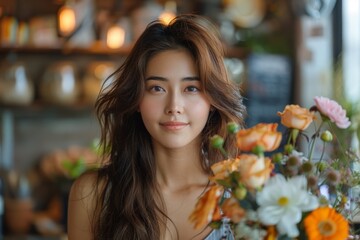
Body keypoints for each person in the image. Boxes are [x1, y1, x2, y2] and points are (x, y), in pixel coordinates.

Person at [67, 14, 246, 240]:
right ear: (137, 100)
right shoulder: (93, 194)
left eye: (191, 88)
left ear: (212, 101)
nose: (174, 107)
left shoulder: (243, 198)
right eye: (157, 88)